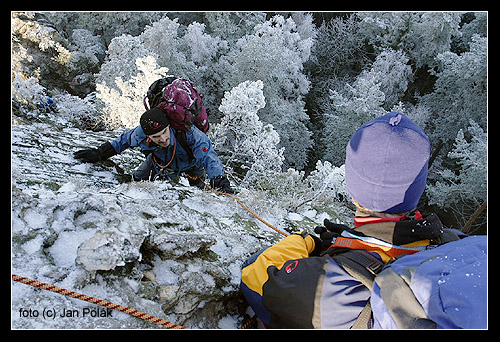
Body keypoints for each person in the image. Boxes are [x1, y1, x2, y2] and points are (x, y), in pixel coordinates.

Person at [240, 112, 486, 329]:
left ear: (351, 187)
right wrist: (355, 243)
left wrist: (305, 243)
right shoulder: (454, 243)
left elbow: (255, 276)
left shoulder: (330, 288)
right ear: (417, 189)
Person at [74, 107, 233, 193]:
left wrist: (218, 178)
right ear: (148, 137)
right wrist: (99, 153)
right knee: (134, 184)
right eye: (156, 137)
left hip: (193, 165)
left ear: (169, 126)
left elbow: (209, 157)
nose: (163, 139)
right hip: (159, 164)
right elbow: (121, 142)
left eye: (164, 132)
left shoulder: (190, 134)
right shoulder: (140, 134)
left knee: (200, 194)